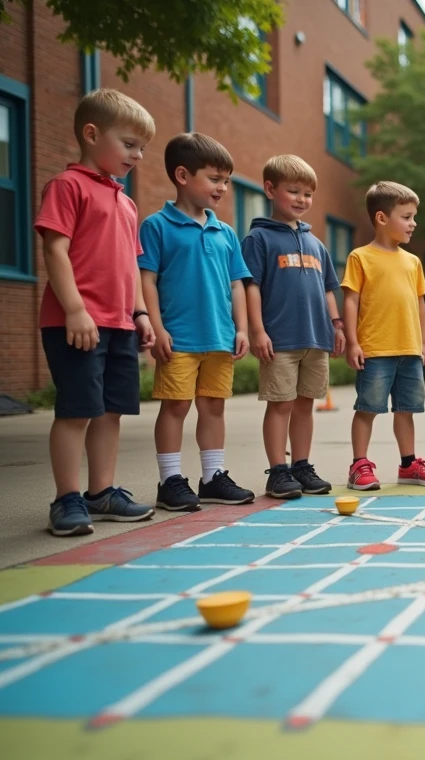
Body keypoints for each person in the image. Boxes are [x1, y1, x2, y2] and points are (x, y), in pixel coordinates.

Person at [35, 88, 157, 536]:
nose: (137, 155)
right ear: (91, 134)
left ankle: (101, 492)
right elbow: (55, 249)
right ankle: (66, 499)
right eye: (129, 145)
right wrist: (75, 310)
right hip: (77, 323)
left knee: (110, 411)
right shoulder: (67, 187)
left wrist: (140, 314)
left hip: (119, 323)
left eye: (142, 148)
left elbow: (129, 263)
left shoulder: (125, 202)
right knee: (76, 410)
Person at [140, 132, 256, 511]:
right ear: (182, 175)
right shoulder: (157, 226)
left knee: (214, 407)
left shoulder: (225, 233)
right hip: (179, 337)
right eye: (215, 178)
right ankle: (170, 480)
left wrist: (241, 328)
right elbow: (148, 281)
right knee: (175, 407)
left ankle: (212, 477)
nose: (223, 187)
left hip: (220, 336)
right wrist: (157, 328)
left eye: (226, 180)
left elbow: (237, 284)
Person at [243, 155, 345, 499]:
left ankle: (301, 465)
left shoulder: (317, 244)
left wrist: (337, 325)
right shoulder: (259, 238)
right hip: (280, 338)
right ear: (271, 189)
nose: (302, 199)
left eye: (307, 193)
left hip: (315, 337)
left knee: (305, 404)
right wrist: (257, 330)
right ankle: (279, 472)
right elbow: (251, 287)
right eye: (294, 191)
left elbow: (330, 289)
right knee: (280, 404)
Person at [342, 181, 425, 489]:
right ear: (382, 218)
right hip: (375, 349)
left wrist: (423, 341)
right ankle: (359, 465)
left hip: (409, 349)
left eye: (414, 216)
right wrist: (353, 341)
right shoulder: (361, 257)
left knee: (406, 409)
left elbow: (419, 303)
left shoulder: (412, 261)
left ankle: (409, 465)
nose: (414, 223)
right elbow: (351, 300)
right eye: (407, 216)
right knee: (367, 408)